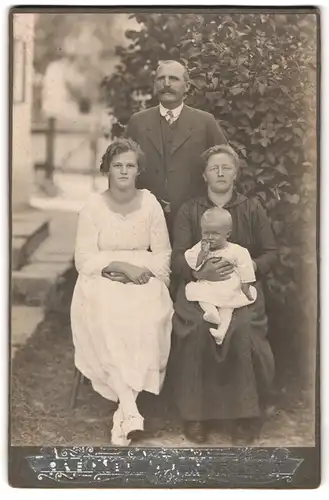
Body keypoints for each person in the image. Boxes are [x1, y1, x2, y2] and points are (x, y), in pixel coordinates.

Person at [171, 144, 277, 444]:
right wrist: (198, 273)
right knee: (197, 328)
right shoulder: (190, 210)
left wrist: (245, 269)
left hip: (240, 289)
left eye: (226, 167)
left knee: (242, 328)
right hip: (200, 288)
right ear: (204, 175)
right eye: (214, 167)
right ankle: (195, 416)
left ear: (236, 173)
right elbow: (178, 257)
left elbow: (271, 253)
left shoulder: (251, 208)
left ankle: (245, 416)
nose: (220, 172)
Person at [70, 138, 174, 446]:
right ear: (107, 169)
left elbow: (163, 254)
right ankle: (130, 409)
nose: (124, 171)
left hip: (145, 278)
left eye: (130, 165)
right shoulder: (93, 206)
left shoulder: (150, 203)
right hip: (102, 277)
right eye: (118, 166)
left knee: (147, 318)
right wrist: (119, 266)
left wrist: (143, 273)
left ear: (139, 170)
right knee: (106, 318)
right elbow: (84, 258)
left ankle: (125, 413)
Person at [125, 60, 227, 232]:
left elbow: (224, 166)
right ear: (154, 84)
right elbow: (123, 168)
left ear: (187, 86)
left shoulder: (205, 122)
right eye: (161, 79)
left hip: (194, 220)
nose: (166, 84)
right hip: (145, 219)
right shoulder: (138, 122)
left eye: (173, 79)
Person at [184, 206, 257, 345]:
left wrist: (245, 286)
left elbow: (246, 266)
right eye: (206, 233)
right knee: (197, 291)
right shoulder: (200, 247)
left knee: (228, 307)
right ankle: (211, 313)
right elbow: (193, 263)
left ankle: (221, 332)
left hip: (228, 284)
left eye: (215, 234)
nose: (209, 238)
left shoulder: (236, 250)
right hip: (208, 283)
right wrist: (202, 254)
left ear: (227, 234)